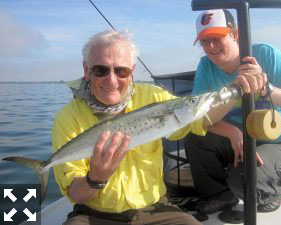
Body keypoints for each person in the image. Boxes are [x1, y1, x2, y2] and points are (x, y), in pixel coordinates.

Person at [52, 29, 265, 225]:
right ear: (86, 69)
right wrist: (95, 178)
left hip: (156, 211)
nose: (112, 80)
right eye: (100, 70)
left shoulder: (154, 97)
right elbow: (76, 194)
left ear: (132, 71)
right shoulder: (68, 117)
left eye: (121, 71)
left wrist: (236, 89)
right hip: (93, 215)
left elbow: (202, 119)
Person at [184, 8, 281, 215]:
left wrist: (266, 89)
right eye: (204, 41)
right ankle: (219, 193)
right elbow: (201, 118)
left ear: (235, 34)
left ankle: (271, 188)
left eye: (216, 37)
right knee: (196, 136)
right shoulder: (206, 66)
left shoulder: (266, 53)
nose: (210, 46)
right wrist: (232, 127)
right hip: (245, 138)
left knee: (246, 181)